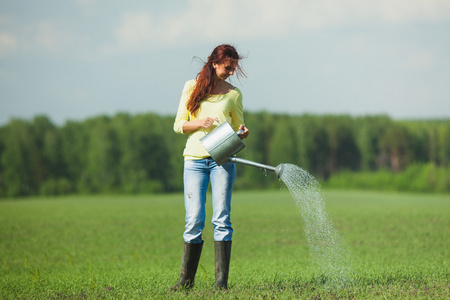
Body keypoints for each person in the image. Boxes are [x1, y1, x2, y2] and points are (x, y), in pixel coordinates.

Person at [172, 44, 249, 291]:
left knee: (222, 219)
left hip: (222, 160)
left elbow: (239, 127)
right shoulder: (191, 87)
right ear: (215, 63)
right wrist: (200, 123)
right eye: (228, 67)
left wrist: (243, 133)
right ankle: (185, 282)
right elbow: (179, 125)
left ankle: (220, 284)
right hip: (194, 160)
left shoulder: (234, 94)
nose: (231, 72)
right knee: (194, 219)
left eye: (233, 68)